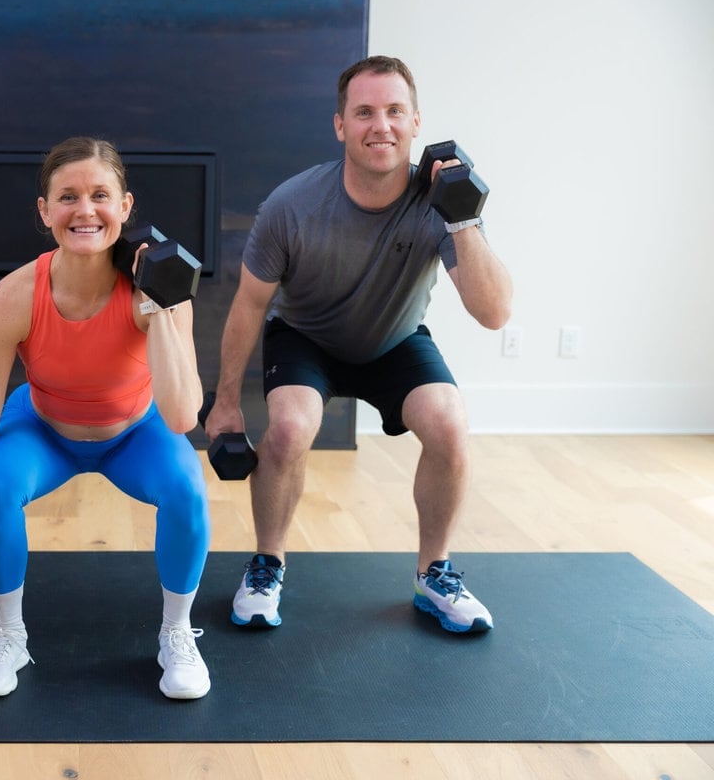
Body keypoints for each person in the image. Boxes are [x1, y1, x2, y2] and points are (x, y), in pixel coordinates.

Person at [204, 56, 513, 634]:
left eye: (395, 111)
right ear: (340, 125)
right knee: (291, 429)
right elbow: (248, 304)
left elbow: (494, 313)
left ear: (417, 122)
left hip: (395, 339)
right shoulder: (292, 205)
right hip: (306, 337)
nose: (382, 125)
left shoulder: (439, 204)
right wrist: (224, 402)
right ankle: (267, 565)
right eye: (365, 112)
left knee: (448, 424)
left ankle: (434, 574)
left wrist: (463, 220)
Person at [0, 136, 212, 699]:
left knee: (187, 489)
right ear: (44, 210)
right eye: (67, 197)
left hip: (137, 429)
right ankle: (9, 633)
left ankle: (176, 632)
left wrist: (160, 308)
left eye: (100, 195)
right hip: (44, 428)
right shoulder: (14, 297)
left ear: (124, 208)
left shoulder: (161, 290)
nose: (84, 210)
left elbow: (180, 417)